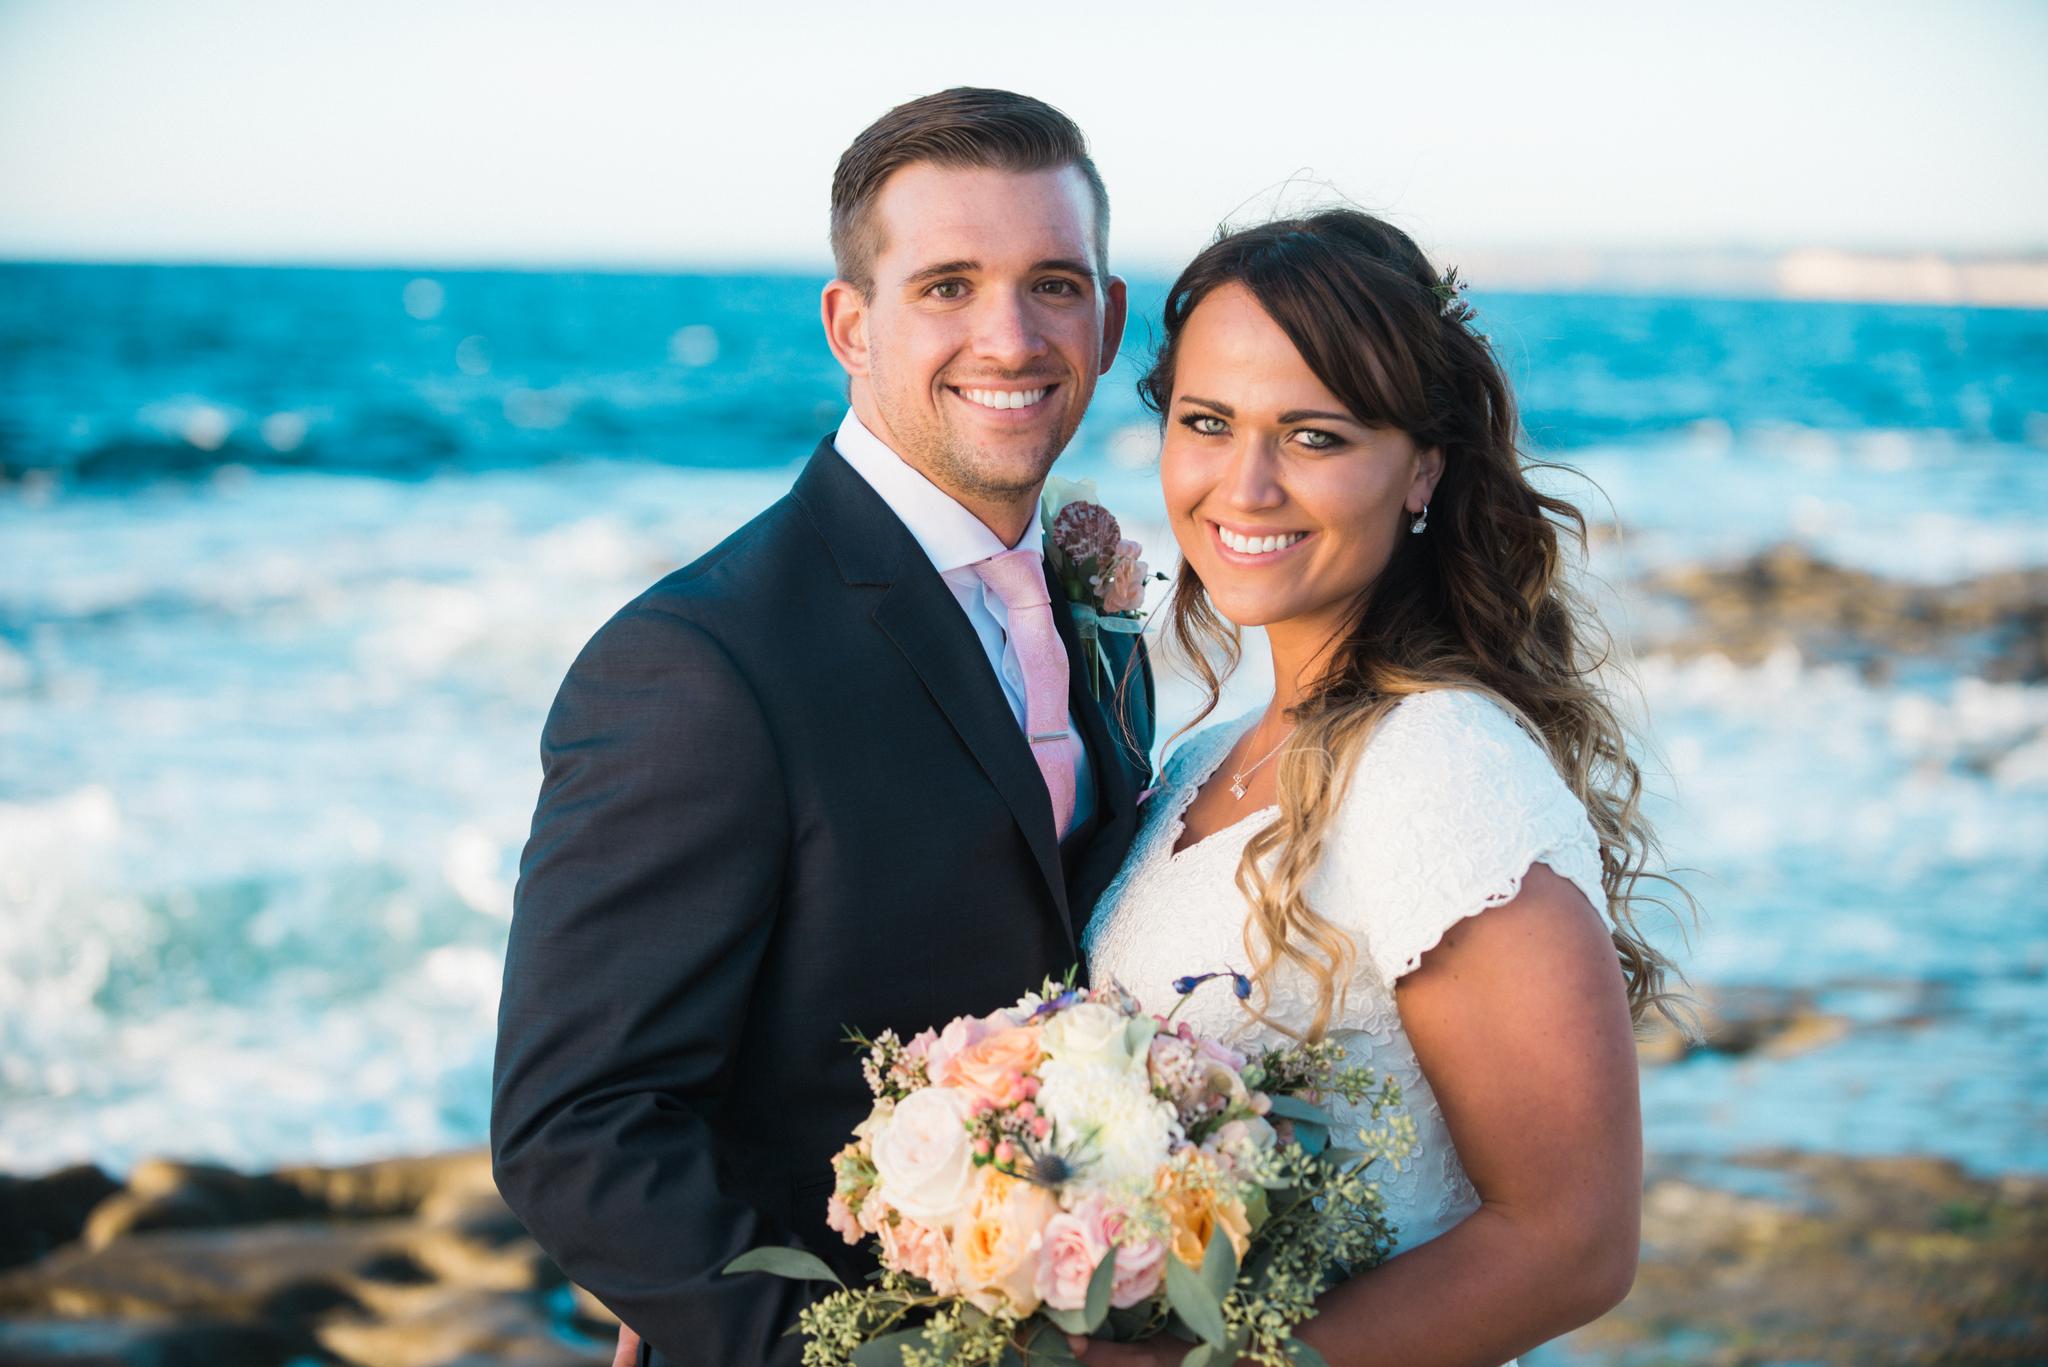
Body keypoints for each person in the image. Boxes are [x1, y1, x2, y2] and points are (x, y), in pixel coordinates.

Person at [489, 88, 1154, 1367]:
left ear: (1109, 318)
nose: (1009, 338)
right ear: (850, 324)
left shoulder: (1082, 615)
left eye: (1053, 285)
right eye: (946, 286)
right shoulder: (700, 662)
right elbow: (578, 1122)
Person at [1074, 210, 1688, 1365]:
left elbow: (1571, 1241)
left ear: (1422, 467)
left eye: (1312, 436)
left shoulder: (1441, 770)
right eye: (1206, 422)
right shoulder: (1200, 763)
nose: (1242, 484)